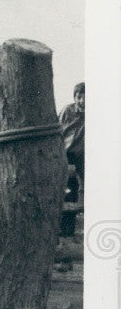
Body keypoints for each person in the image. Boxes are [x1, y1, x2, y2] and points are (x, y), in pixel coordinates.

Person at [59, 83, 85, 238]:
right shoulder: (67, 111)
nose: (82, 101)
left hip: (85, 156)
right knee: (68, 192)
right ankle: (64, 234)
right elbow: (56, 131)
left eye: (85, 97)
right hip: (67, 155)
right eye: (78, 97)